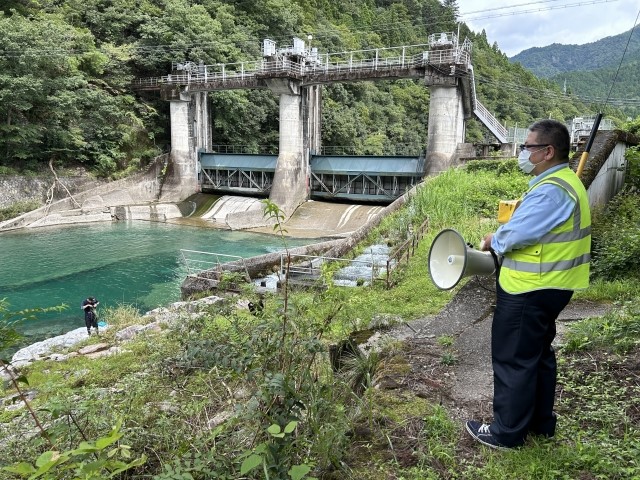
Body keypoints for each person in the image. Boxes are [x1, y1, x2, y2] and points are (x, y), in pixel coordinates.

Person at [465, 119, 591, 449]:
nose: (523, 153)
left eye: (528, 147)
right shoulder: (561, 181)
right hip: (551, 285)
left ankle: (506, 434)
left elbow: (521, 233)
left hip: (530, 288)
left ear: (548, 151)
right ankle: (539, 424)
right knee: (537, 355)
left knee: (513, 359)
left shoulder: (552, 190)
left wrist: (495, 239)